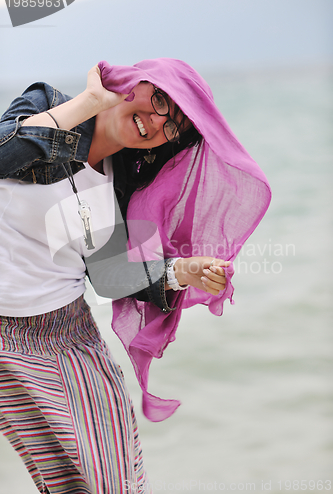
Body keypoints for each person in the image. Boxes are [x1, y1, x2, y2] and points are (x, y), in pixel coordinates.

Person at [0, 58, 271, 494]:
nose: (157, 121)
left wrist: (180, 272)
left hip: (62, 341)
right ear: (134, 83)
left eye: (173, 128)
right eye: (160, 99)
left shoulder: (122, 183)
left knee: (103, 484)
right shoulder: (46, 104)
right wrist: (88, 102)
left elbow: (110, 277)